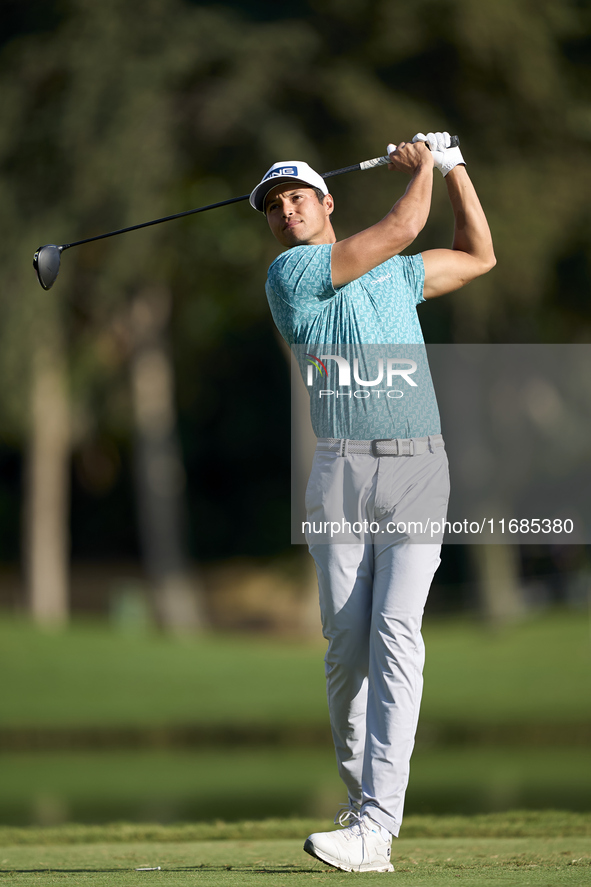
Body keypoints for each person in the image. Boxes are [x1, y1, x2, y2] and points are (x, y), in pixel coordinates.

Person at [249, 132, 495, 873]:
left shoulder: (393, 276)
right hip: (340, 477)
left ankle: (374, 829)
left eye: (297, 196)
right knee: (346, 649)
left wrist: (453, 171)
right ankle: (362, 811)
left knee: (394, 633)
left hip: (420, 469)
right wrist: (420, 168)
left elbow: (478, 254)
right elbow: (398, 226)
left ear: (326, 202)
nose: (286, 210)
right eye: (274, 206)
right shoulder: (291, 275)